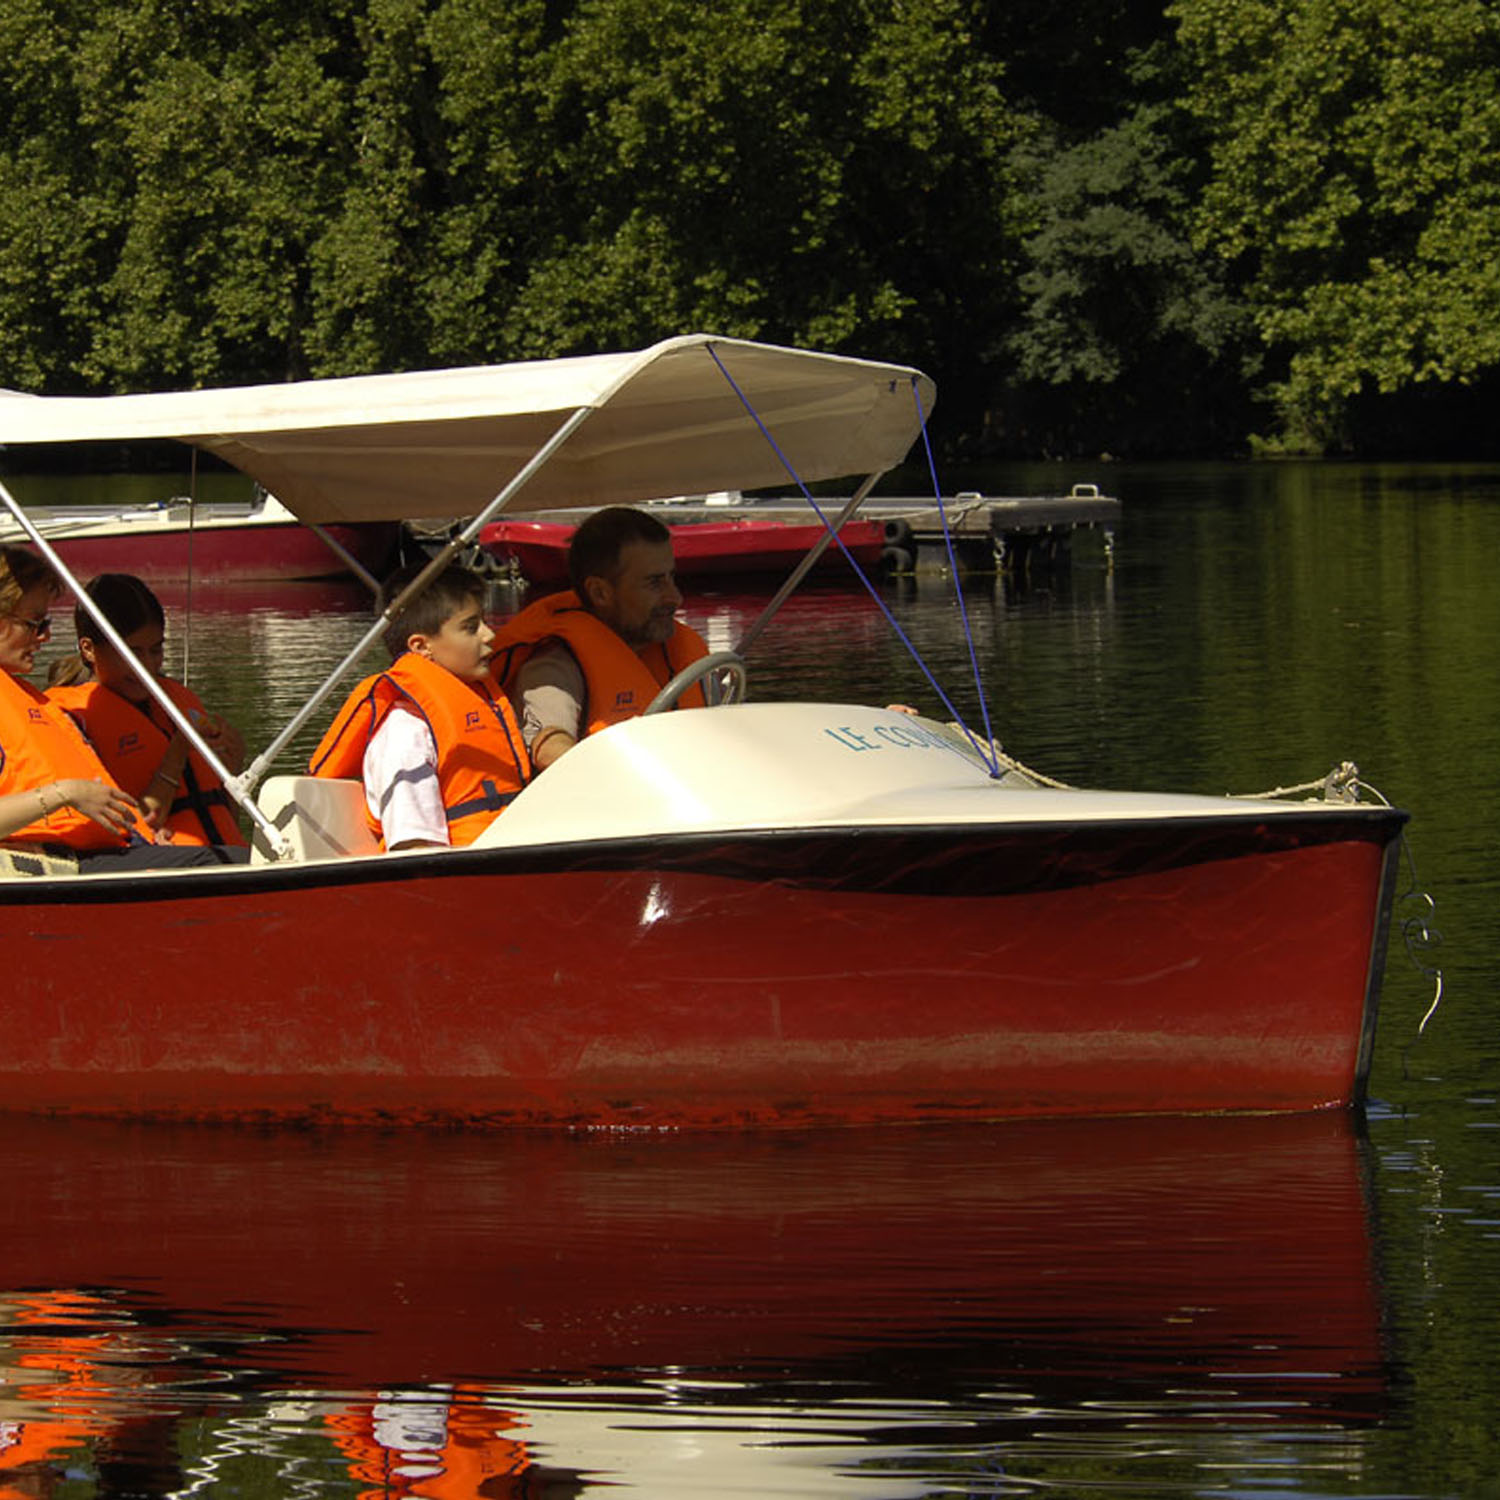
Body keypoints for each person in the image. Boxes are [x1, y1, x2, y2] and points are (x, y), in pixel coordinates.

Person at [0, 545, 243, 869]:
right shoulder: (77, 710)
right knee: (232, 864)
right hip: (63, 867)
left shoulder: (28, 699)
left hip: (112, 853)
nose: (44, 637)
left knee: (248, 859)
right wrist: (65, 793)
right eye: (35, 624)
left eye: (155, 650)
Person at [309, 561, 528, 850]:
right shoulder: (405, 735)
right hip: (463, 881)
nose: (489, 635)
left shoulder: (488, 703)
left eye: (484, 622)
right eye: (471, 627)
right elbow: (415, 851)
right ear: (422, 647)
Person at [490, 506, 710, 771]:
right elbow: (549, 749)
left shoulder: (687, 655)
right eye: (654, 583)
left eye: (671, 577)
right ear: (600, 593)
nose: (674, 597)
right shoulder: (556, 666)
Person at [47, 573, 247, 849]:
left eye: (155, 650)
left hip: (227, 862)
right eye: (132, 653)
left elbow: (221, 817)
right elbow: (135, 825)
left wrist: (230, 771)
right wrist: (177, 752)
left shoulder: (178, 699)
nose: (147, 666)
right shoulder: (70, 719)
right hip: (159, 874)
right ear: (89, 649)